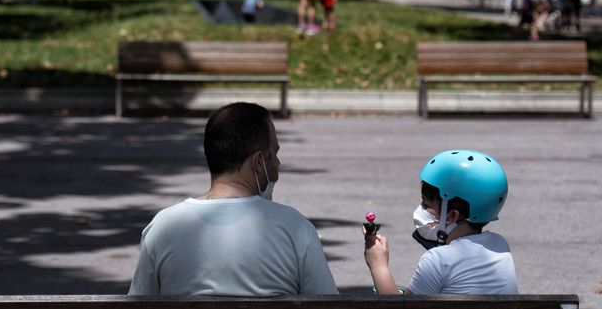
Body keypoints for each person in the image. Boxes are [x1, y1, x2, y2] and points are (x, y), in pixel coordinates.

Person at [129, 102, 338, 297]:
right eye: (274, 153)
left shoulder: (163, 227)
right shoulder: (295, 228)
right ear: (258, 162)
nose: (277, 164)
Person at [363, 149, 518, 295]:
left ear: (451, 216)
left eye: (427, 205)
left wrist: (378, 264)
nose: (421, 209)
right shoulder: (500, 245)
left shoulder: (437, 260)